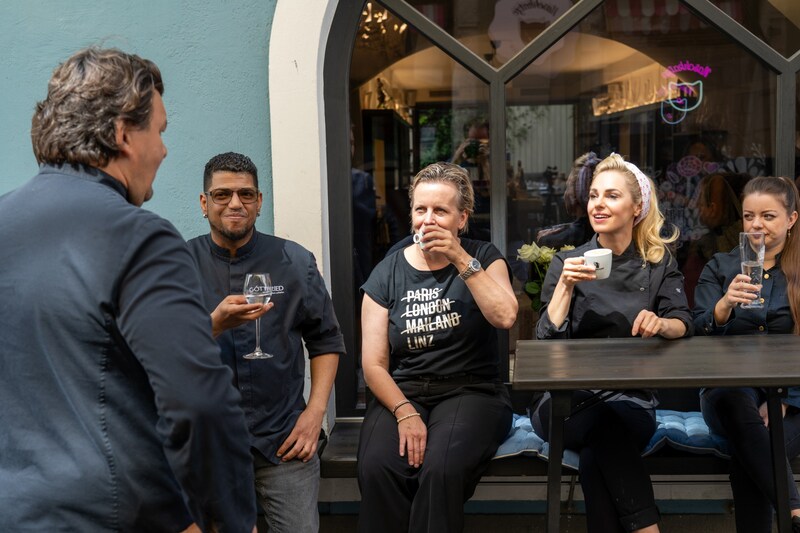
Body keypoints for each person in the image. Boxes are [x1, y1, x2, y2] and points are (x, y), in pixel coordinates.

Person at [0, 48, 255, 532]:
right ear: (122, 134)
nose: (163, 149)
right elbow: (198, 402)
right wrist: (228, 519)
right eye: (158, 131)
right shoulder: (141, 236)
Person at [531, 153, 693, 533]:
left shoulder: (657, 264)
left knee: (596, 455)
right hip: (564, 401)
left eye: (611, 196)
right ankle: (647, 528)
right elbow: (545, 337)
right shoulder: (567, 262)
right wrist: (566, 287)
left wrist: (661, 323)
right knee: (605, 428)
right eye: (593, 195)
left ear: (637, 207)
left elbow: (684, 322)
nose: (598, 204)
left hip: (631, 398)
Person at [186, 151, 345, 532]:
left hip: (284, 441)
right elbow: (160, 351)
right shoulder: (177, 264)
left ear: (259, 202)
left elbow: (325, 341)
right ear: (205, 203)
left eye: (246, 194)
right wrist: (215, 325)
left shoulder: (294, 260)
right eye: (222, 195)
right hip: (206, 447)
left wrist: (315, 415)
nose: (235, 204)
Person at [357, 162, 516, 532]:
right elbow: (374, 364)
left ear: (462, 218)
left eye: (441, 211)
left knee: (441, 468)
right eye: (420, 210)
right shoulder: (388, 270)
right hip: (404, 390)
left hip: (472, 389)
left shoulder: (484, 257)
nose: (428, 220)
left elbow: (505, 316)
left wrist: (459, 258)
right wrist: (404, 412)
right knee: (378, 466)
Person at [693, 176, 800, 533]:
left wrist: (784, 398)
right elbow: (697, 330)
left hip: (793, 400)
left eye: (768, 216)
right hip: (728, 393)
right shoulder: (720, 268)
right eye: (749, 216)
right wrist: (723, 306)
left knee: (749, 455)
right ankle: (796, 512)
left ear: (791, 219)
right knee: (740, 409)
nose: (757, 225)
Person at [536, 151, 600, 249]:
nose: (565, 193)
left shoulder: (551, 242)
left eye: (568, 186)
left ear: (577, 194)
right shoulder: (604, 235)